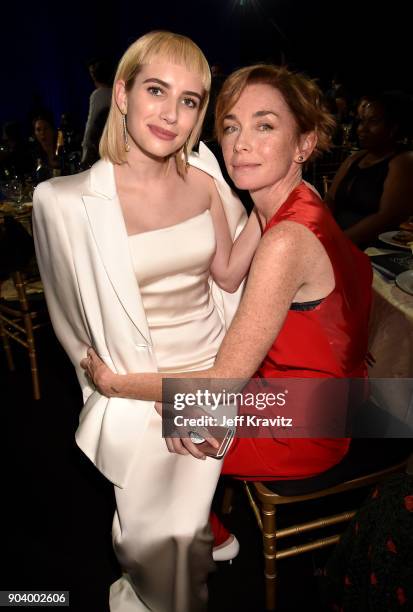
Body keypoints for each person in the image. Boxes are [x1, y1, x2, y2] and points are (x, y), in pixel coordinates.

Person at [81, 65, 373, 558]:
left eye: (265, 125)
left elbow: (220, 386)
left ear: (305, 143)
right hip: (331, 396)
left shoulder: (285, 239)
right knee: (172, 408)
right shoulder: (296, 200)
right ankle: (201, 518)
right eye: (232, 126)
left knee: (141, 422)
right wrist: (211, 192)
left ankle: (209, 536)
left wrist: (114, 383)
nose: (240, 143)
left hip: (305, 425)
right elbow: (229, 275)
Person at [33, 31, 262, 612]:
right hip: (137, 392)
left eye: (189, 100)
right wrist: (108, 387)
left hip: (218, 376)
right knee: (154, 543)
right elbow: (70, 321)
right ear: (124, 94)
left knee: (171, 541)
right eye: (157, 90)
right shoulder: (62, 201)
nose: (172, 113)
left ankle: (192, 562)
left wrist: (278, 199)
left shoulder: (206, 179)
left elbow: (231, 279)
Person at [326, 91, 413, 247]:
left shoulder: (403, 161)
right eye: (362, 121)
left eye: (373, 121)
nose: (362, 128)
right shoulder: (355, 158)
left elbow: (386, 218)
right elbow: (330, 199)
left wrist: (335, 244)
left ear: (394, 126)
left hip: (371, 250)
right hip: (334, 239)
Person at [81, 58, 114, 168]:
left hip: (102, 147)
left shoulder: (98, 95)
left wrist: (85, 149)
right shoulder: (117, 92)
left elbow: (91, 124)